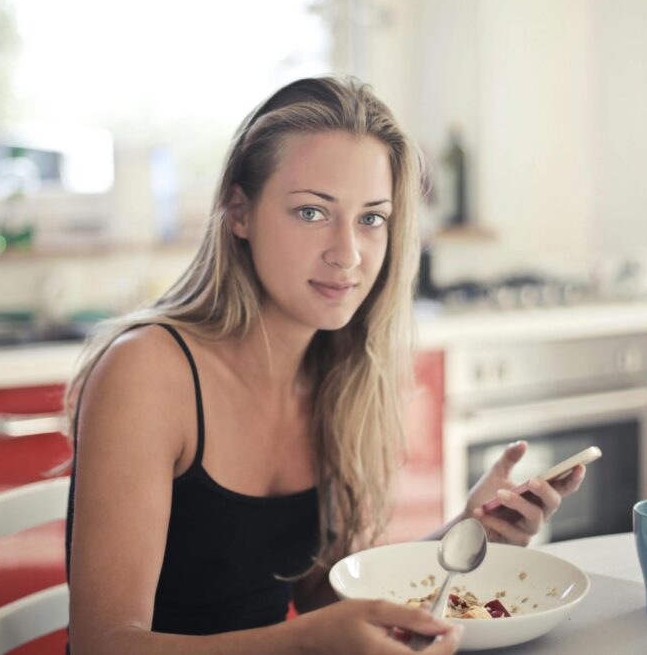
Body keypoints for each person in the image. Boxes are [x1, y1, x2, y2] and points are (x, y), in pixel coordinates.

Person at [64, 76, 585, 654]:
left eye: (372, 218)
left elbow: (320, 599)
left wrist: (470, 533)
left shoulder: (338, 374)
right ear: (239, 212)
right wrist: (300, 644)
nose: (348, 254)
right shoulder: (149, 372)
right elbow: (102, 645)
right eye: (312, 213)